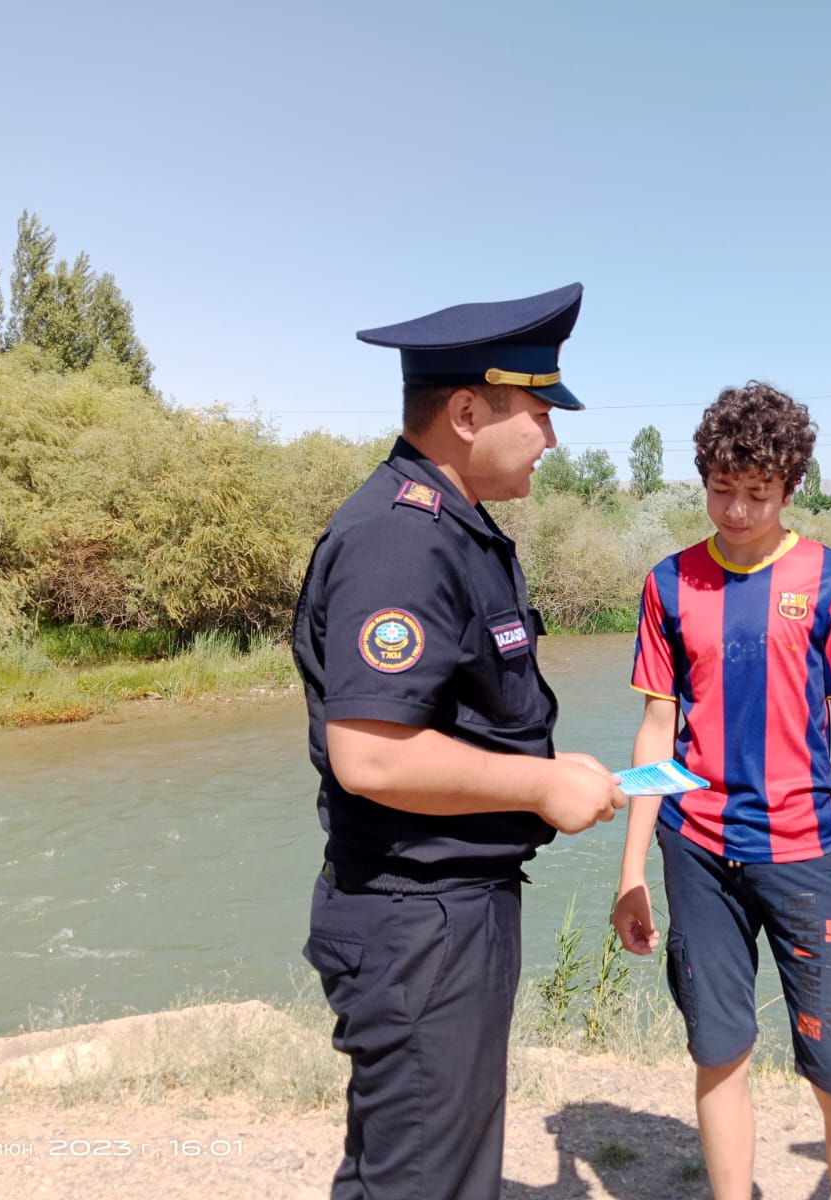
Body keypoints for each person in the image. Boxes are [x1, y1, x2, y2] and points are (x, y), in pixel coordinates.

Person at [292, 282, 628, 1200]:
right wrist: (540, 787)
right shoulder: (400, 542)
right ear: (468, 411)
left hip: (444, 915)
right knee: (423, 1181)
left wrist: (550, 771)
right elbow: (373, 754)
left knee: (428, 1169)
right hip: (417, 922)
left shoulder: (456, 530)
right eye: (539, 411)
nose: (553, 438)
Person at [612, 382, 831, 1200]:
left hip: (806, 853)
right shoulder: (668, 585)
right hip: (695, 851)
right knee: (718, 1053)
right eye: (722, 490)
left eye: (757, 494)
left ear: (790, 488)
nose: (736, 511)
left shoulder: (830, 580)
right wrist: (632, 869)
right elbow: (657, 729)